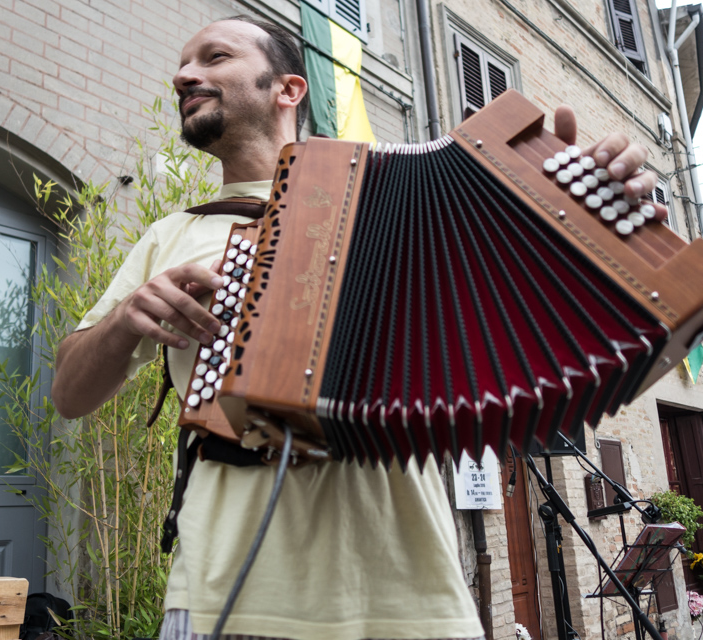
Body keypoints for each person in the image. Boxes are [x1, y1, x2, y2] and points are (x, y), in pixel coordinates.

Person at [51, 16, 668, 640]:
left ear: (288, 89)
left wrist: (602, 220)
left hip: (414, 596)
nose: (185, 75)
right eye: (183, 65)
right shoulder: (172, 235)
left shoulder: (418, 207)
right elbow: (68, 394)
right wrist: (127, 320)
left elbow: (546, 334)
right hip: (227, 596)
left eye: (213, 57)